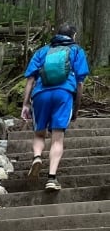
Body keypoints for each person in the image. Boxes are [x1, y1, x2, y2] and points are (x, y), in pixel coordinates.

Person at [20, 23, 90, 191]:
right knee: (57, 138)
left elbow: (30, 80)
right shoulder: (77, 51)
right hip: (64, 94)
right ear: (73, 36)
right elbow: (80, 84)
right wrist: (76, 106)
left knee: (39, 133)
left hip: (40, 95)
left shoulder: (42, 51)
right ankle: (51, 178)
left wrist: (25, 104)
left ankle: (37, 157)